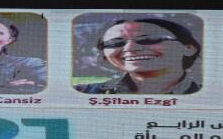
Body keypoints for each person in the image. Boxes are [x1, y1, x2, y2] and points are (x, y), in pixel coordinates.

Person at [74, 16, 202, 94]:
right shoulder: (83, 92)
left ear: (189, 48)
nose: (130, 48)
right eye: (115, 43)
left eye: (148, 39)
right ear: (104, 55)